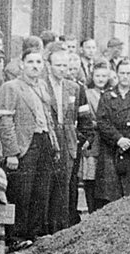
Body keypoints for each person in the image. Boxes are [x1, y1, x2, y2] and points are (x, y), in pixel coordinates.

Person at [0, 48, 60, 248]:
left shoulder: (42, 86)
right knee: (21, 192)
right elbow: (5, 121)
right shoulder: (11, 87)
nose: (35, 66)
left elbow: (49, 118)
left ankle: (35, 232)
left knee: (41, 190)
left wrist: (54, 144)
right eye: (31, 62)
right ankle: (15, 237)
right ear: (22, 64)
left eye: (39, 62)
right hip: (25, 144)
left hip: (44, 142)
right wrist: (12, 152)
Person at [43, 46, 94, 231]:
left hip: (69, 144)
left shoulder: (75, 88)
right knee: (47, 185)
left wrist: (83, 139)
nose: (62, 69)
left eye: (65, 65)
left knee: (66, 188)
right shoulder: (41, 86)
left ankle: (62, 227)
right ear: (49, 65)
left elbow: (85, 118)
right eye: (58, 65)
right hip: (48, 142)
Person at [95, 57, 130, 209]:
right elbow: (102, 121)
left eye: (128, 73)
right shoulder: (107, 96)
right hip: (112, 149)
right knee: (111, 194)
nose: (125, 76)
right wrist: (119, 139)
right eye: (121, 73)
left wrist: (129, 140)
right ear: (117, 74)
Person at [81, 60, 111, 213]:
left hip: (108, 141)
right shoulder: (87, 93)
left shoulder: (111, 93)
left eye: (104, 76)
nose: (100, 79)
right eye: (97, 75)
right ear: (92, 77)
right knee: (90, 175)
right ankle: (91, 208)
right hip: (94, 139)